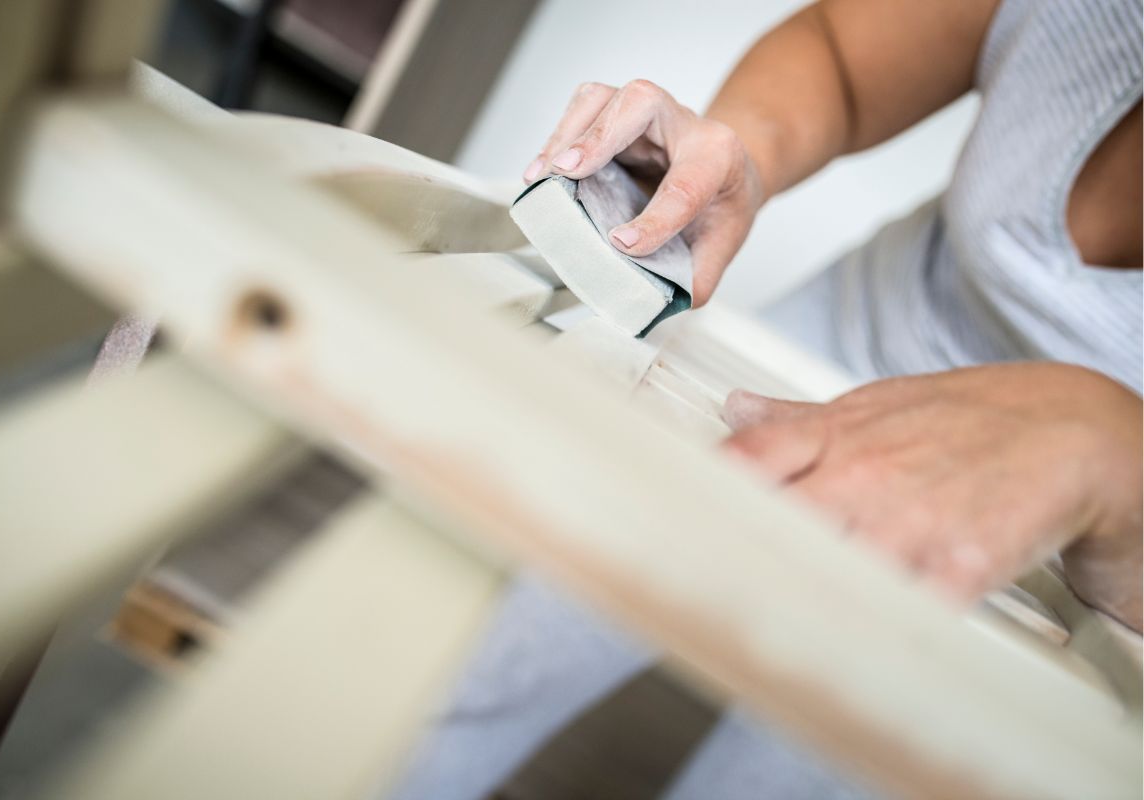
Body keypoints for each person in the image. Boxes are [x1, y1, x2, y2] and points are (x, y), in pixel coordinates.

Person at [390, 1, 1142, 797]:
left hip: (1095, 573)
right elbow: (845, 61)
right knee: (473, 644)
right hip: (819, 373)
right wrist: (741, 145)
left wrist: (1109, 439)